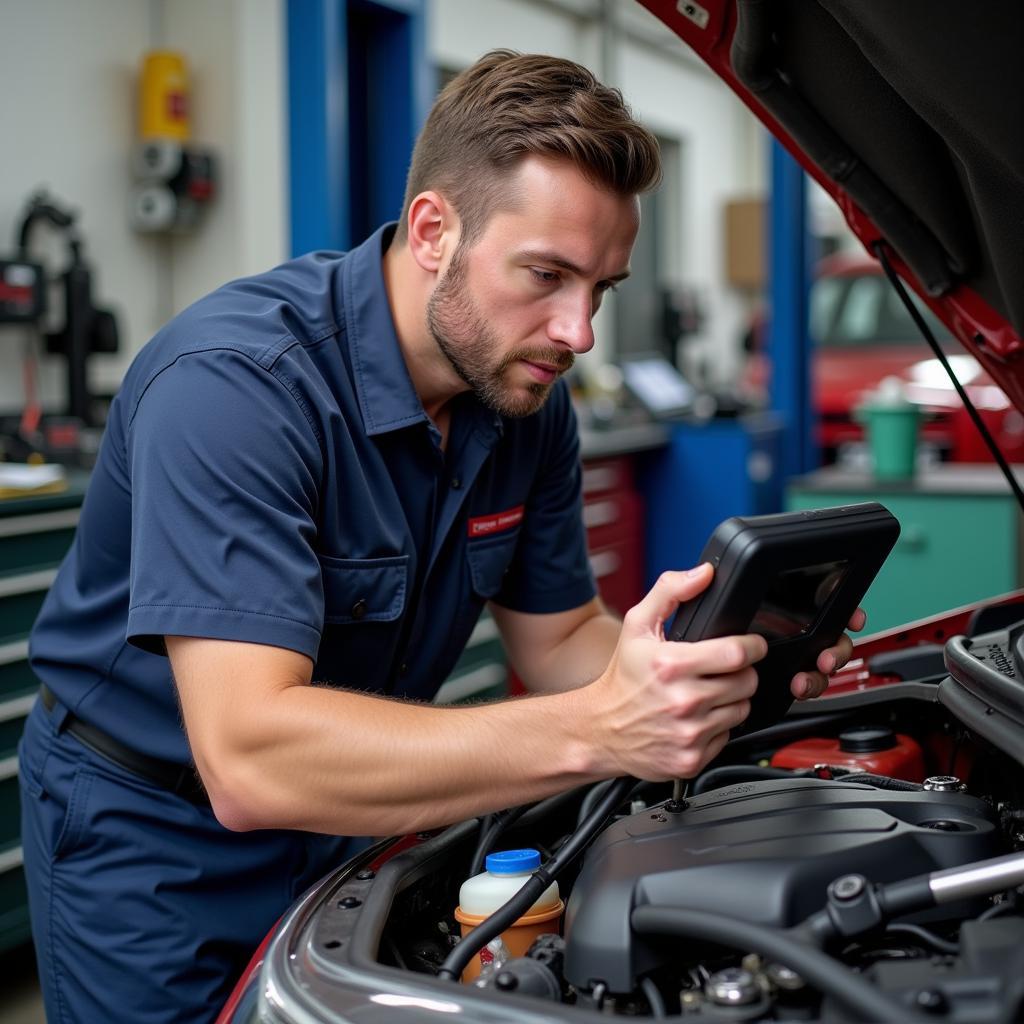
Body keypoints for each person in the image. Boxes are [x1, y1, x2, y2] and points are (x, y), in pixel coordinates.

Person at [19, 50, 862, 1023]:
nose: (578, 330)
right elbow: (251, 757)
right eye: (545, 274)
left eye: (601, 286)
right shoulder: (236, 387)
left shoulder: (524, 399)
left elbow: (557, 644)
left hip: (358, 804)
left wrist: (694, 671)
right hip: (155, 835)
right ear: (433, 231)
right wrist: (597, 729)